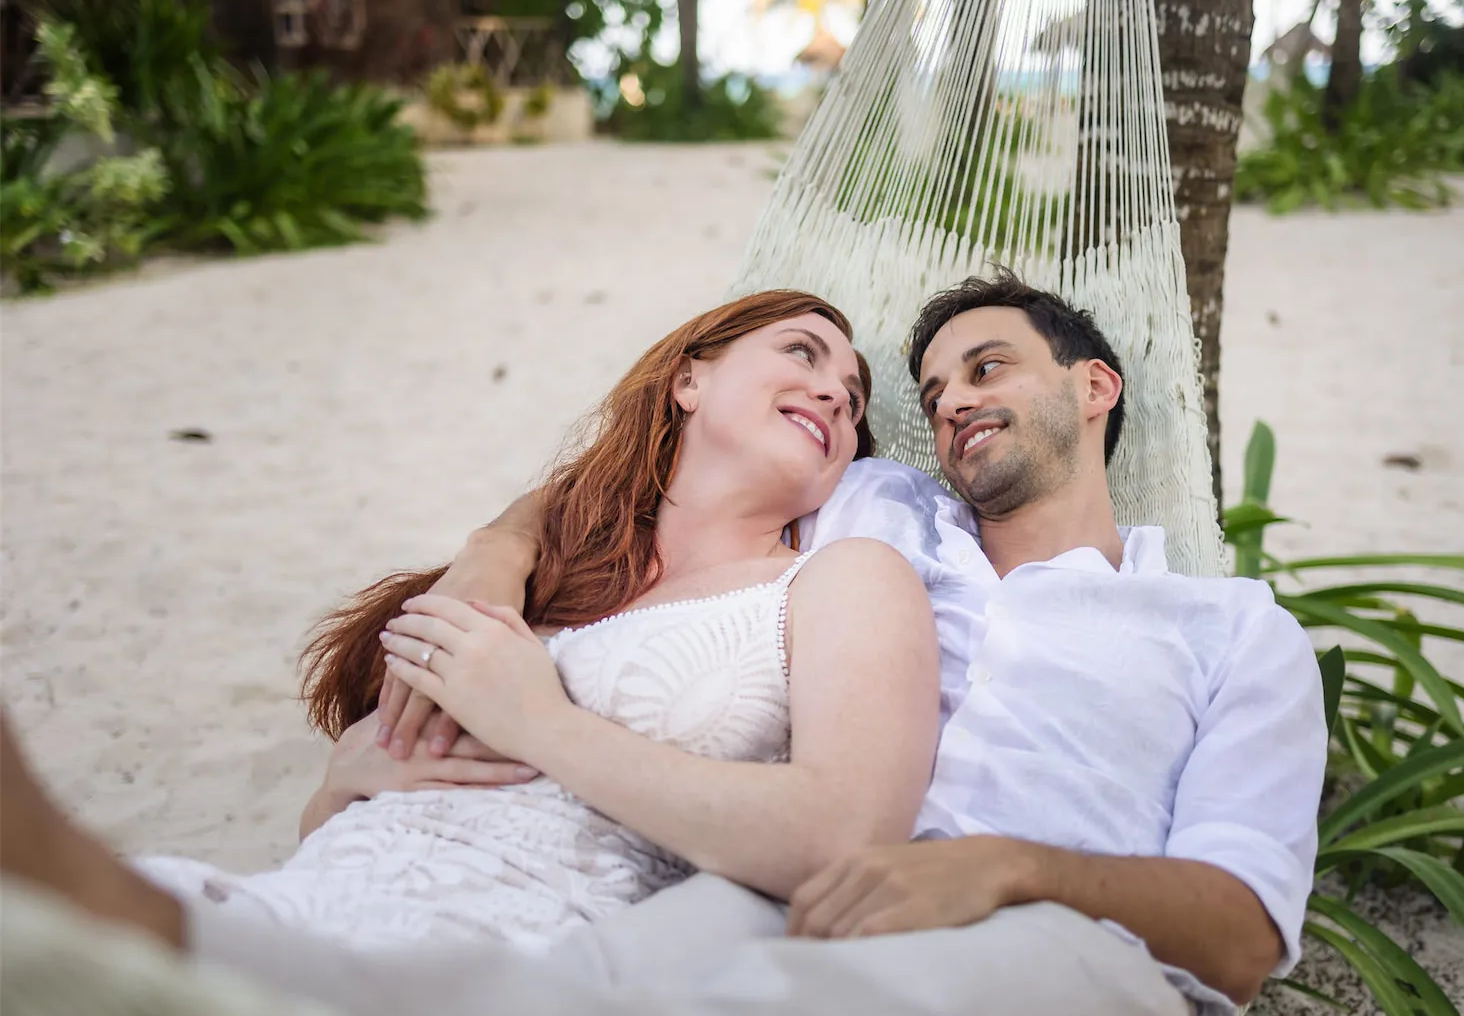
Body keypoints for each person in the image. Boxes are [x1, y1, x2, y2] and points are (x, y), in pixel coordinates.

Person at [0, 271, 1326, 1016]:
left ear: (1094, 388)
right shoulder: (876, 503)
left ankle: (148, 940)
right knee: (573, 994)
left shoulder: (1231, 627)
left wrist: (1009, 863)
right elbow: (644, 490)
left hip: (1052, 929)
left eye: (990, 364)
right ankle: (165, 940)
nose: (952, 397)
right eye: (929, 387)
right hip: (789, 891)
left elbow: (1247, 933)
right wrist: (490, 554)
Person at [130, 289, 942, 955]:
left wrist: (537, 720)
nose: (839, 391)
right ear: (688, 379)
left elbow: (847, 835)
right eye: (803, 351)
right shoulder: (543, 571)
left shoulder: (845, 579)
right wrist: (337, 790)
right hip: (304, 902)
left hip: (499, 959)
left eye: (855, 398)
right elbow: (368, 818)